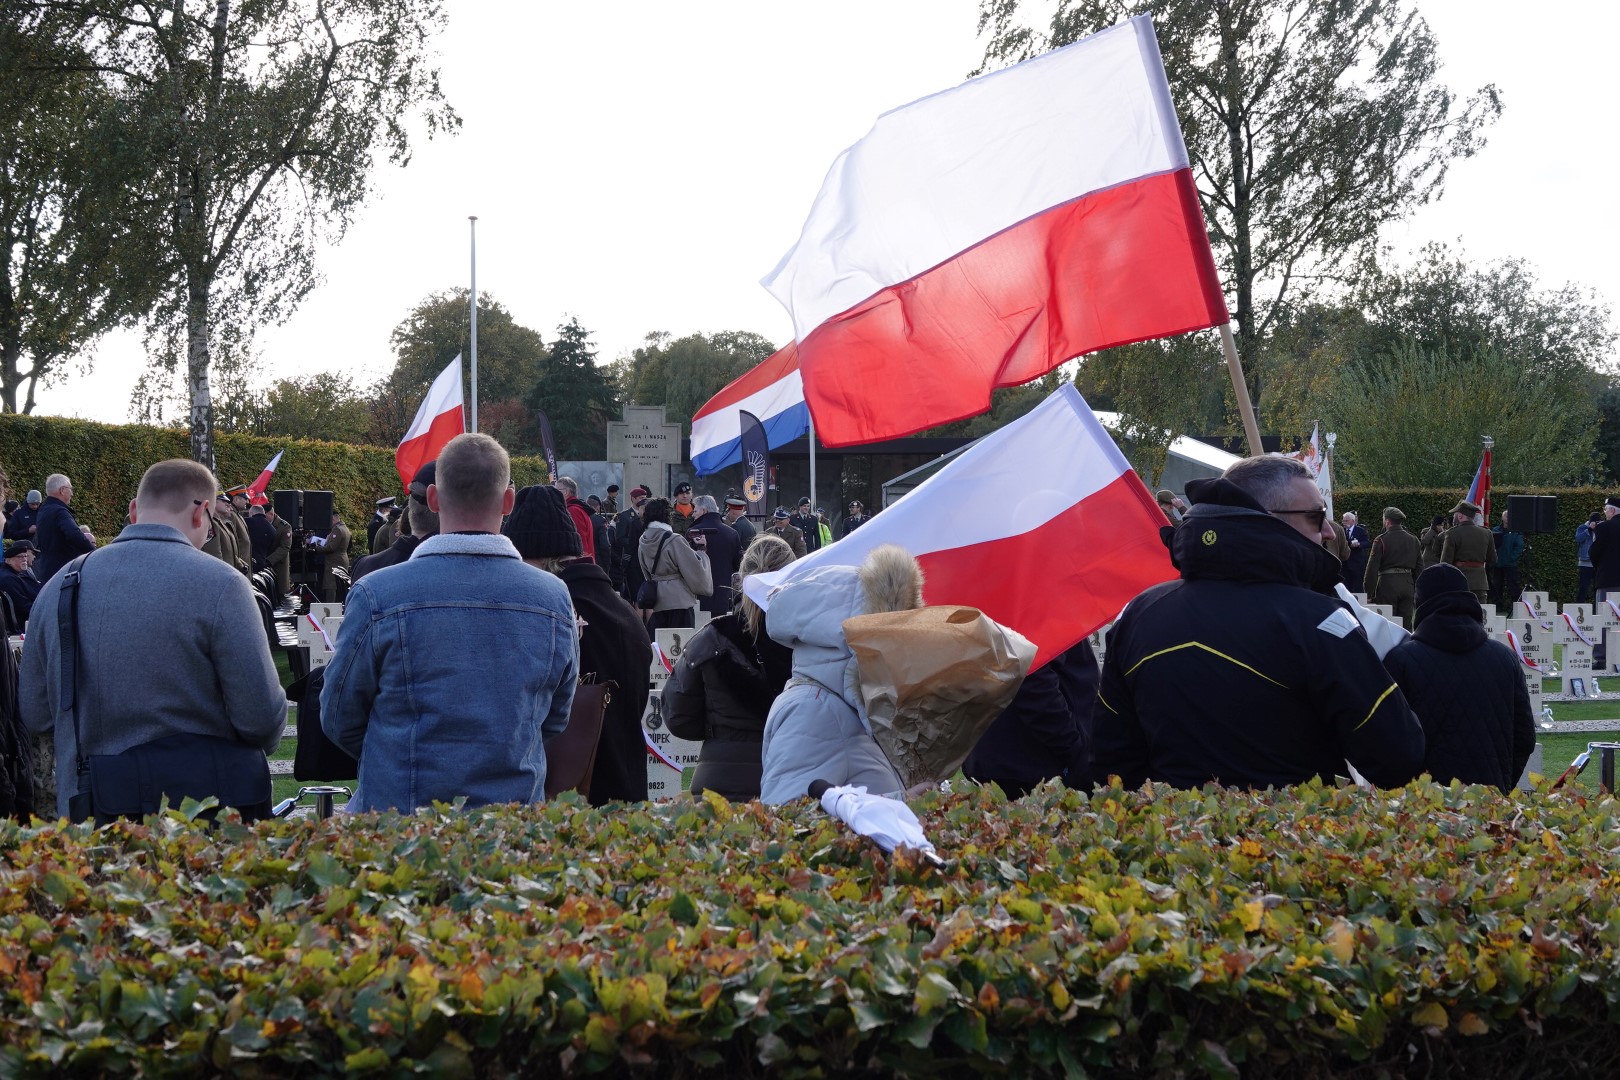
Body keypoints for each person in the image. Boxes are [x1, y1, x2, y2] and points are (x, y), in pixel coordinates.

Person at [1090, 456, 1425, 790]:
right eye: (1316, 516)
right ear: (1268, 520)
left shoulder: (1138, 614)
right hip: (1295, 834)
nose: (1327, 530)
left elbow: (1111, 761)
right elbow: (1396, 757)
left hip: (1171, 833)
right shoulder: (1322, 622)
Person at [321, 433, 577, 813]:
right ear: (509, 501)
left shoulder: (379, 593)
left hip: (399, 819)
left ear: (434, 499)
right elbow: (554, 718)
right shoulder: (551, 597)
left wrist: (398, 756)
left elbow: (338, 713)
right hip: (509, 820)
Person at [19, 459, 285, 818]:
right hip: (200, 817)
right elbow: (261, 720)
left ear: (133, 511)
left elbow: (36, 714)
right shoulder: (223, 584)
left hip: (92, 815)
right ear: (202, 513)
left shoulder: (61, 584)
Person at [504, 485, 651, 804]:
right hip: (628, 786)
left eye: (521, 563)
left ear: (543, 559)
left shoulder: (557, 609)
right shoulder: (622, 609)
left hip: (575, 791)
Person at [758, 544, 924, 804]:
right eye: (888, 634)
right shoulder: (813, 710)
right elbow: (786, 820)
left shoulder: (844, 704)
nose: (900, 650)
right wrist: (901, 803)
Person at [1383, 563, 1535, 793]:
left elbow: (1390, 741)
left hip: (1424, 806)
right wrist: (1501, 784)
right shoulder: (1505, 658)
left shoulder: (1401, 660)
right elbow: (1524, 737)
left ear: (1419, 604)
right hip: (1490, 803)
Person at [665, 535, 796, 800]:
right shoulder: (810, 639)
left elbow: (678, 717)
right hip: (789, 776)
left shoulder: (710, 637)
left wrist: (722, 727)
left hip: (719, 782)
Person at [963, 638, 1098, 798]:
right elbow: (1034, 681)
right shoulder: (1033, 619)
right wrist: (1075, 752)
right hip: (1036, 766)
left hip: (994, 757)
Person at [637, 497, 712, 630]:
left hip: (657, 601)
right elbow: (694, 569)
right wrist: (701, 550)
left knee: (662, 647)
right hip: (679, 601)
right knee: (680, 645)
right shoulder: (674, 539)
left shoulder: (643, 540)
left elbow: (646, 572)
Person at [32, 474, 96, 585]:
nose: (72, 493)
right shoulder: (60, 511)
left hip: (47, 569)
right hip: (62, 570)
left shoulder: (44, 510)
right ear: (62, 490)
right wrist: (93, 553)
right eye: (70, 489)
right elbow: (74, 534)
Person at [1363, 506, 1421, 627]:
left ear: (1388, 521)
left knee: (1387, 622)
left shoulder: (1381, 540)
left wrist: (1368, 592)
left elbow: (1372, 569)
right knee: (1406, 623)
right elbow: (1419, 567)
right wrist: (1416, 588)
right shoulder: (1414, 539)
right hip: (1407, 584)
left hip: (1387, 585)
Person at [687, 494, 742, 617]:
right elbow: (738, 564)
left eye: (695, 511)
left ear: (704, 511)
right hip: (723, 594)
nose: (693, 515)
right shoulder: (732, 533)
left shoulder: (693, 532)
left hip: (697, 594)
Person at [1440, 500, 1496, 603]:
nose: (1454, 517)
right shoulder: (1487, 533)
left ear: (1460, 516)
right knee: (1478, 615)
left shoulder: (1452, 533)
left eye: (1455, 514)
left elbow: (1445, 563)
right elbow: (1492, 559)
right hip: (1480, 583)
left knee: (1458, 616)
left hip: (1458, 582)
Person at [616, 486, 651, 602]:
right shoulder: (624, 516)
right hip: (632, 559)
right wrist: (634, 542)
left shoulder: (649, 517)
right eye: (641, 498)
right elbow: (620, 538)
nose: (643, 500)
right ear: (633, 498)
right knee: (636, 594)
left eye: (645, 498)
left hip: (646, 558)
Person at [553, 476, 598, 562]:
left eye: (556, 491)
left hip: (580, 564)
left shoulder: (572, 511)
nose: (554, 494)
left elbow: (580, 541)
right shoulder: (577, 509)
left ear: (566, 492)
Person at [1489, 509, 1526, 610]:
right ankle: (1498, 607)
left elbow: (1519, 546)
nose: (1507, 518)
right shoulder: (1495, 530)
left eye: (1509, 516)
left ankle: (1517, 607)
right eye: (1506, 516)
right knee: (1497, 586)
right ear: (1502, 518)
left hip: (1510, 564)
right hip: (1497, 564)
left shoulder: (1516, 532)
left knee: (1513, 586)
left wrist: (1511, 558)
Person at [0, 540, 41, 627]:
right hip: (24, 623)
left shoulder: (21, 572)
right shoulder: (8, 578)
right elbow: (23, 606)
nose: (24, 559)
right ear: (8, 560)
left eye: (25, 556)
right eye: (20, 557)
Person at [321, 512, 352, 602]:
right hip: (342, 558)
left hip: (334, 561)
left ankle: (331, 609)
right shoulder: (345, 528)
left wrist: (316, 548)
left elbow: (331, 547)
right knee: (340, 585)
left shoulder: (337, 529)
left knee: (331, 585)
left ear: (333, 519)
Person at [265, 502, 293, 599]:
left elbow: (284, 548)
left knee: (279, 595)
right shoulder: (263, 524)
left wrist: (269, 560)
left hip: (278, 567)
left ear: (271, 514)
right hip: (264, 566)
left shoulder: (284, 527)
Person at [1339, 511, 1370, 593]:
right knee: (1346, 586)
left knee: (1358, 585)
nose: (1344, 523)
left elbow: (1367, 542)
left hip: (1357, 562)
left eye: (1346, 521)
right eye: (1343, 521)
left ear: (1353, 521)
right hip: (1345, 563)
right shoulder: (1340, 530)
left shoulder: (1360, 530)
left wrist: (1359, 544)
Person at [1577, 511, 1602, 604]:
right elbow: (1578, 538)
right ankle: (1579, 607)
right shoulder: (1583, 527)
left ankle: (1597, 610)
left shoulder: (1602, 529)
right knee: (1583, 588)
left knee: (1597, 589)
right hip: (1585, 563)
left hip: (1597, 564)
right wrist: (1589, 529)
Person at [245, 503, 276, 573]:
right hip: (262, 563)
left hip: (248, 561)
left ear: (252, 512)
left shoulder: (247, 522)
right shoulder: (272, 529)